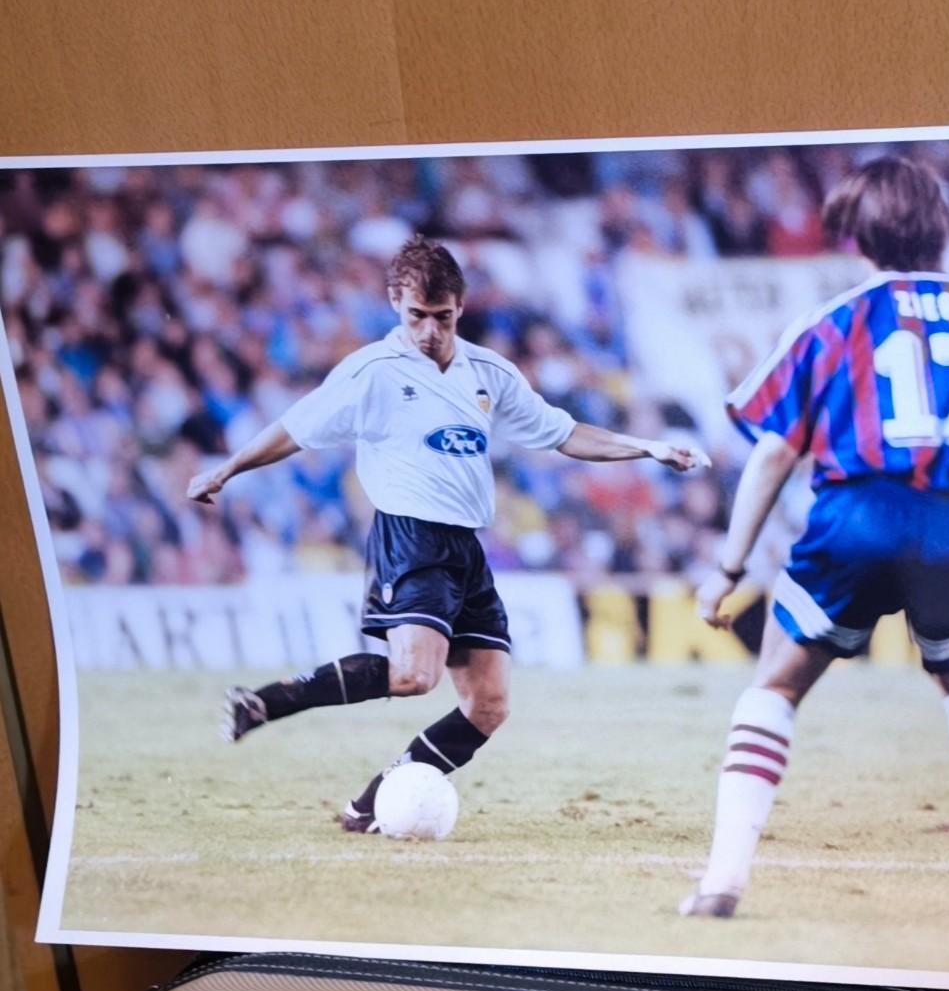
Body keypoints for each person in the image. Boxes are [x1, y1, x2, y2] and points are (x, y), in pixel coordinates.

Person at [682, 157, 949, 925]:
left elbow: (775, 451)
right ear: (939, 231)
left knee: (776, 684)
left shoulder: (835, 321)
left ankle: (720, 883)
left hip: (859, 521)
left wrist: (726, 567)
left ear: (857, 237)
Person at [188, 236, 706, 831]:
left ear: (460, 307)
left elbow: (563, 433)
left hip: (466, 547)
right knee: (414, 675)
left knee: (488, 706)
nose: (430, 330)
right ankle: (266, 703)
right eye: (416, 316)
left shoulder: (489, 373)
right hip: (409, 534)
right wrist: (226, 470)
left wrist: (647, 447)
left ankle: (369, 806)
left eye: (442, 317)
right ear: (393, 303)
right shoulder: (371, 373)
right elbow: (294, 429)